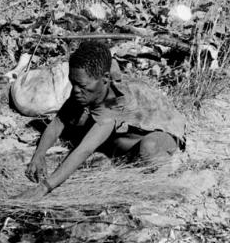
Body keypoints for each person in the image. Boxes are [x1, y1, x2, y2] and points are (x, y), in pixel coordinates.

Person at [14, 41, 186, 199]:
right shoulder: (87, 90)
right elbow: (59, 122)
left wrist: (43, 188)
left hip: (162, 132)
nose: (75, 91)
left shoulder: (111, 108)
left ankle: (168, 167)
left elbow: (84, 150)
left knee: (149, 149)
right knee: (80, 121)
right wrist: (39, 155)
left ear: (104, 80)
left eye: (82, 86)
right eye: (72, 83)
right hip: (118, 128)